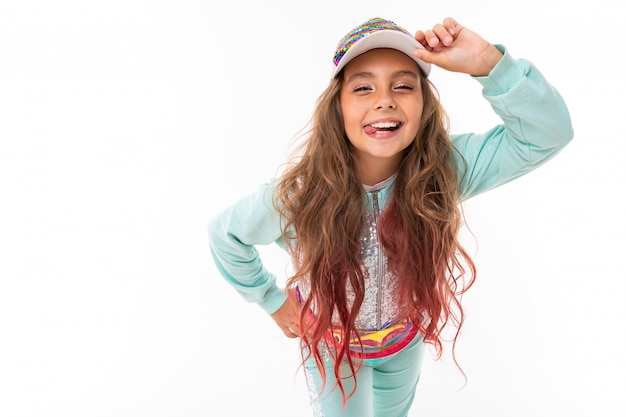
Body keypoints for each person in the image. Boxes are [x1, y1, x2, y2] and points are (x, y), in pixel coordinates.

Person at [208, 16, 573, 417]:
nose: (384, 100)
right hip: (333, 348)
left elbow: (547, 133)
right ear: (338, 107)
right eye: (363, 87)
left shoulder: (444, 170)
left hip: (403, 342)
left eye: (403, 85)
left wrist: (489, 63)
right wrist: (269, 299)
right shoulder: (300, 195)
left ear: (423, 104)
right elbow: (226, 235)